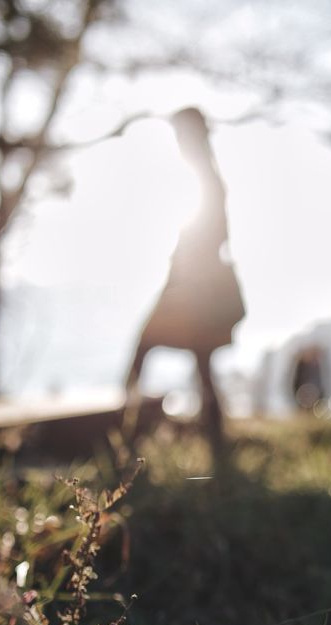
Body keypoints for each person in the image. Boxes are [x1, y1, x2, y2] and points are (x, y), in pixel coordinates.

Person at [125, 107, 245, 446]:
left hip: (193, 290)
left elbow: (214, 234)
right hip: (192, 287)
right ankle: (215, 439)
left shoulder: (204, 175)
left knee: (146, 346)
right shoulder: (203, 172)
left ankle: (125, 428)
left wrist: (184, 270)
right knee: (201, 361)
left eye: (181, 132)